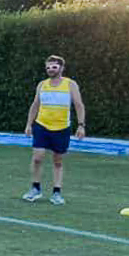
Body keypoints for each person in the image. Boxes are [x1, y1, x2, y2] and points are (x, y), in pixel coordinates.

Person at [22, 55, 86, 205]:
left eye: (54, 67)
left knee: (58, 161)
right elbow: (35, 105)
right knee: (37, 157)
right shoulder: (42, 85)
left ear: (62, 68)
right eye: (48, 67)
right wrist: (29, 124)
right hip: (42, 125)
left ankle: (57, 192)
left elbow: (79, 105)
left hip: (62, 127)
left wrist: (81, 125)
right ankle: (35, 189)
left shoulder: (70, 84)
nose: (50, 69)